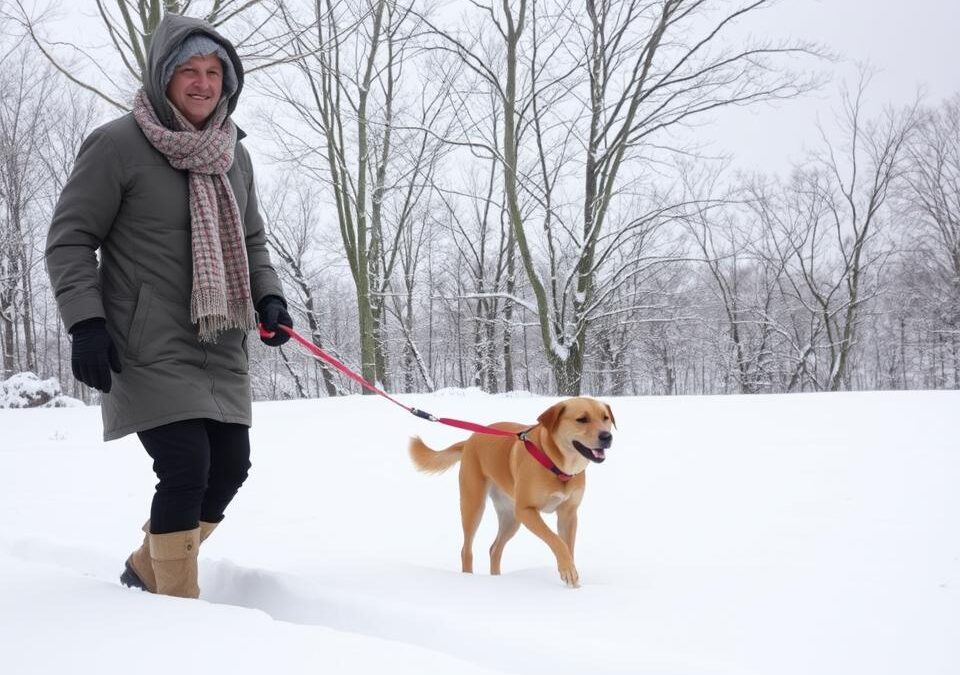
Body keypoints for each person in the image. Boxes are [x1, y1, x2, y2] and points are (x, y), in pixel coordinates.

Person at [45, 13, 293, 599]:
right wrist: (85, 323)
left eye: (214, 72)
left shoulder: (234, 154)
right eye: (189, 71)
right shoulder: (116, 146)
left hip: (219, 338)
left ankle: (146, 565)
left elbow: (253, 240)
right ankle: (177, 611)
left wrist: (270, 296)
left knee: (230, 467)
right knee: (185, 467)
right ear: (163, 77)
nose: (203, 83)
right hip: (146, 340)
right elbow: (70, 238)